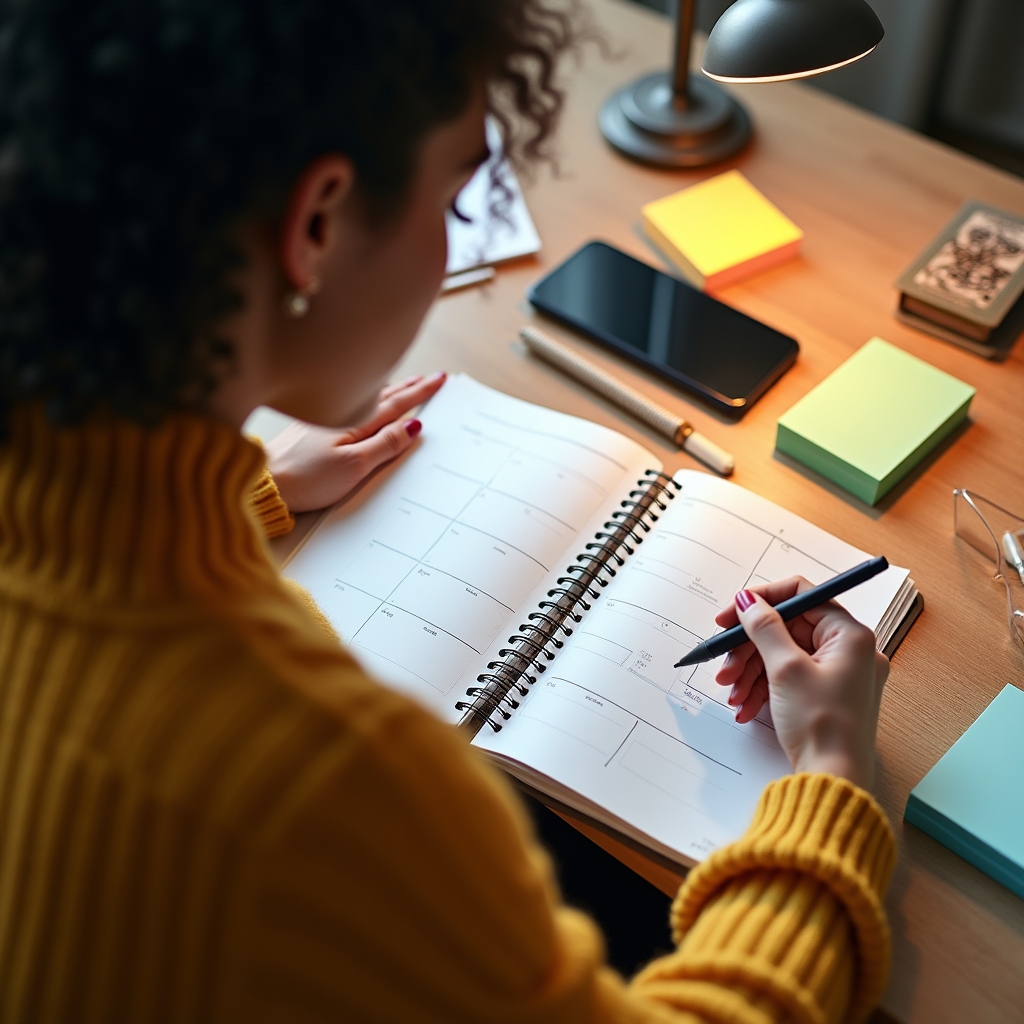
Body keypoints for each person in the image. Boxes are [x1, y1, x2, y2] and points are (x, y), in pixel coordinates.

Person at [0, 1, 896, 1021]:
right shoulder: (330, 787)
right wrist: (832, 779)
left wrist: (243, 490)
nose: (450, 241)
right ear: (316, 224)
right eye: (450, 197)